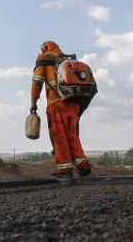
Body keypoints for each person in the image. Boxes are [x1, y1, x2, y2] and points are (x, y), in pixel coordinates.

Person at [30, 41, 92, 181]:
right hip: (74, 103)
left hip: (56, 104)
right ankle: (83, 165)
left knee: (59, 136)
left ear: (45, 49)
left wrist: (33, 102)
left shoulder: (44, 61)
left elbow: (37, 82)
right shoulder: (66, 61)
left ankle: (65, 170)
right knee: (72, 135)